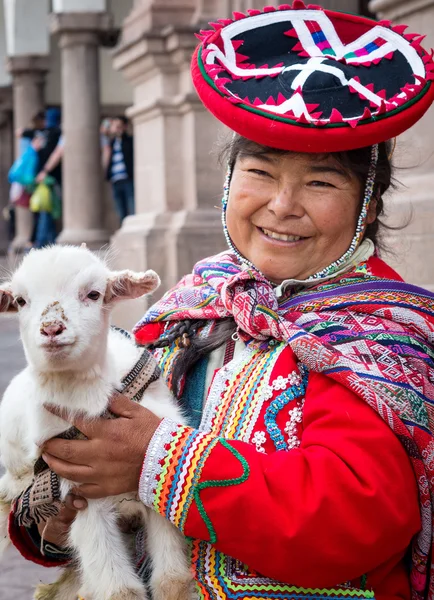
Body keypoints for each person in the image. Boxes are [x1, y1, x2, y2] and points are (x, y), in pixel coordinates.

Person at [7, 4, 434, 600]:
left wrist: (159, 461)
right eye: (260, 171)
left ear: (368, 202)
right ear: (230, 182)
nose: (283, 205)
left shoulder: (381, 338)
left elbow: (355, 518)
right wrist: (53, 511)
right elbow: (81, 477)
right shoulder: (195, 305)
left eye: (321, 182)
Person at [102, 115, 135, 223]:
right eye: (115, 126)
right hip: (115, 180)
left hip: (128, 178)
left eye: (119, 126)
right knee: (120, 210)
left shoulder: (129, 141)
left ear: (125, 127)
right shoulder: (110, 143)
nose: (117, 129)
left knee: (132, 206)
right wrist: (108, 126)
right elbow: (102, 130)